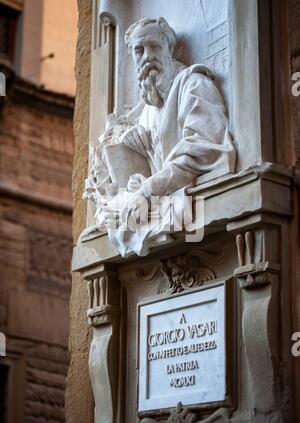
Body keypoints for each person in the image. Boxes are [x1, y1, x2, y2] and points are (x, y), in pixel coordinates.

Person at [84, 17, 236, 256]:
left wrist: (147, 191)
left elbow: (203, 148)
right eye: (139, 50)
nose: (147, 56)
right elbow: (156, 166)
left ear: (169, 48)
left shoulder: (193, 83)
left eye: (154, 46)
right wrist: (138, 177)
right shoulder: (147, 110)